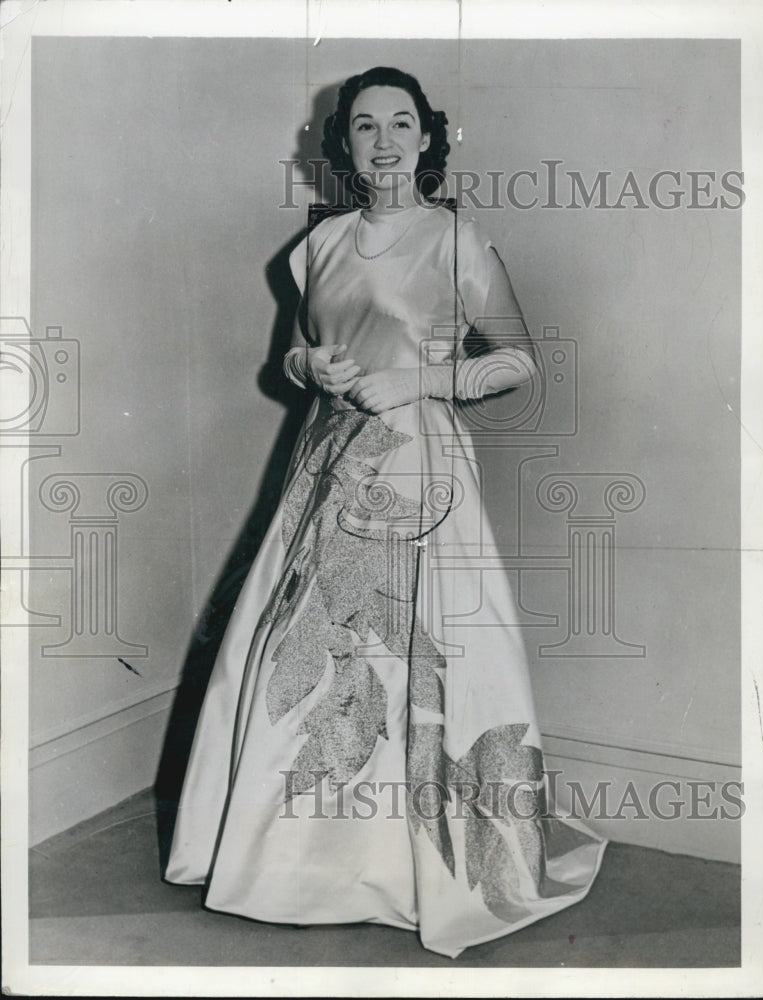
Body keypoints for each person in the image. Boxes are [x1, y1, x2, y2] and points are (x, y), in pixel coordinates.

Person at [165, 66, 606, 959]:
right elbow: (297, 351)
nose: (385, 142)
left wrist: (419, 380)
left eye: (401, 123)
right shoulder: (316, 247)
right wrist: (306, 367)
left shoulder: (455, 240)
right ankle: (300, 865)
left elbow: (519, 359)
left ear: (428, 137)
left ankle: (414, 867)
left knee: (413, 654)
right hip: (327, 467)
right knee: (307, 651)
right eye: (365, 127)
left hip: (419, 468)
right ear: (345, 146)